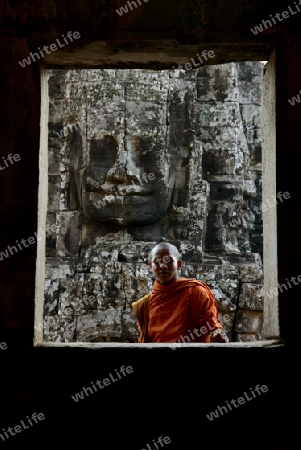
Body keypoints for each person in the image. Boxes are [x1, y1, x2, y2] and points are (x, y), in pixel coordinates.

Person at [132, 242, 229, 343]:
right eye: (156, 262)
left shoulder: (197, 293)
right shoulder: (144, 305)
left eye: (168, 261)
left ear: (179, 265)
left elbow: (209, 329)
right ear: (150, 266)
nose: (162, 266)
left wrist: (215, 336)